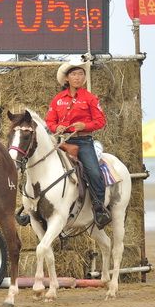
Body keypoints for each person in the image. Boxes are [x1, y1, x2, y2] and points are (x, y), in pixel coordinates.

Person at [45, 58, 112, 228]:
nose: (78, 77)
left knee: (94, 172)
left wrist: (85, 125)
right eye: (74, 74)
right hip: (61, 141)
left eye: (81, 74)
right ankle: (29, 205)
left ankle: (99, 208)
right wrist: (56, 127)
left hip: (83, 142)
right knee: (39, 163)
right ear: (67, 78)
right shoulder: (57, 99)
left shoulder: (90, 98)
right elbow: (49, 121)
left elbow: (101, 121)